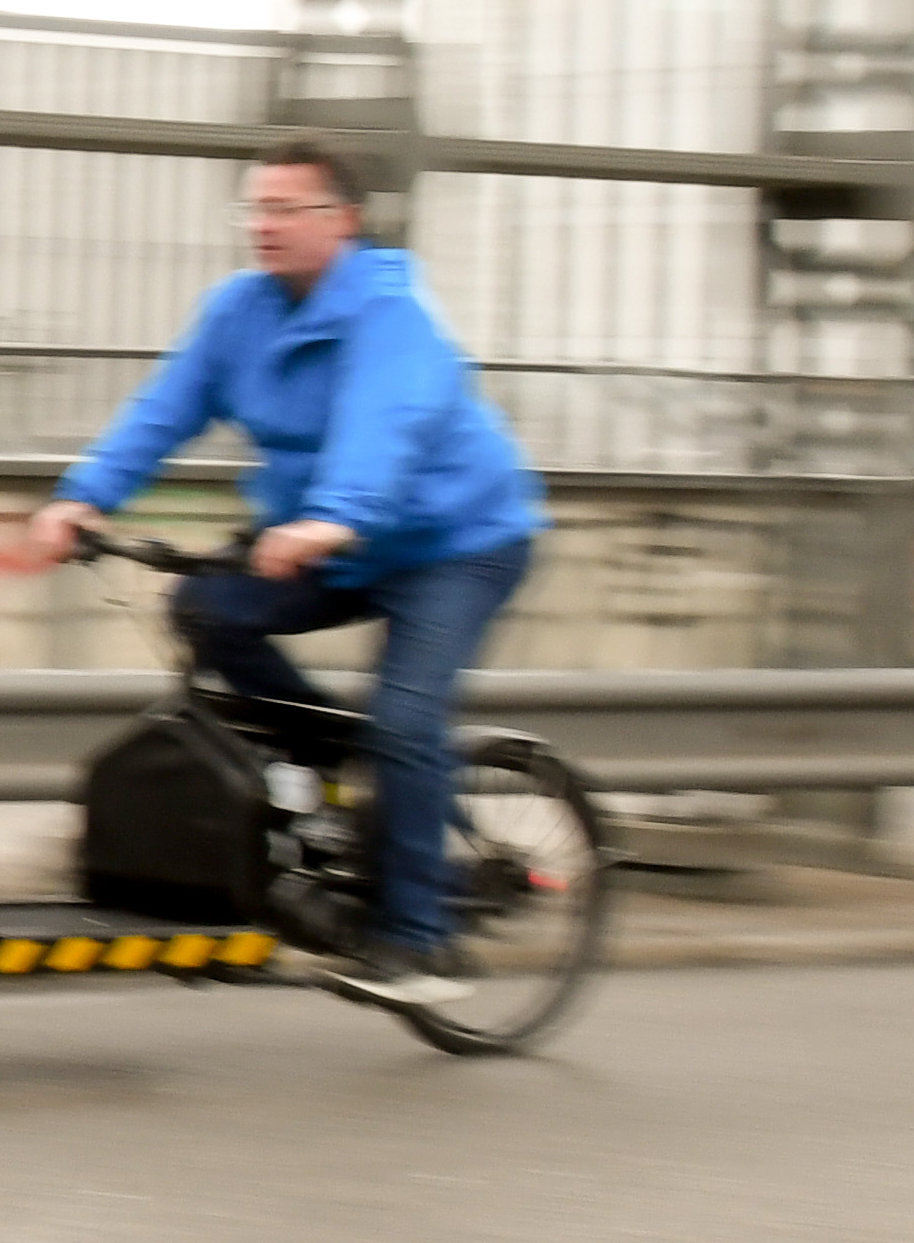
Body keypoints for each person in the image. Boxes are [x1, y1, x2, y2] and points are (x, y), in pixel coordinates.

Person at [28, 140, 548, 983]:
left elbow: (382, 424)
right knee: (204, 610)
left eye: (285, 209)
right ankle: (324, 785)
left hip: (454, 544)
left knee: (407, 720)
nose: (263, 225)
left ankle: (415, 939)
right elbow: (163, 408)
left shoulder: (389, 313)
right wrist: (83, 496)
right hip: (334, 541)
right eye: (255, 208)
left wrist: (331, 519)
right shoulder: (239, 312)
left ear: (343, 221)